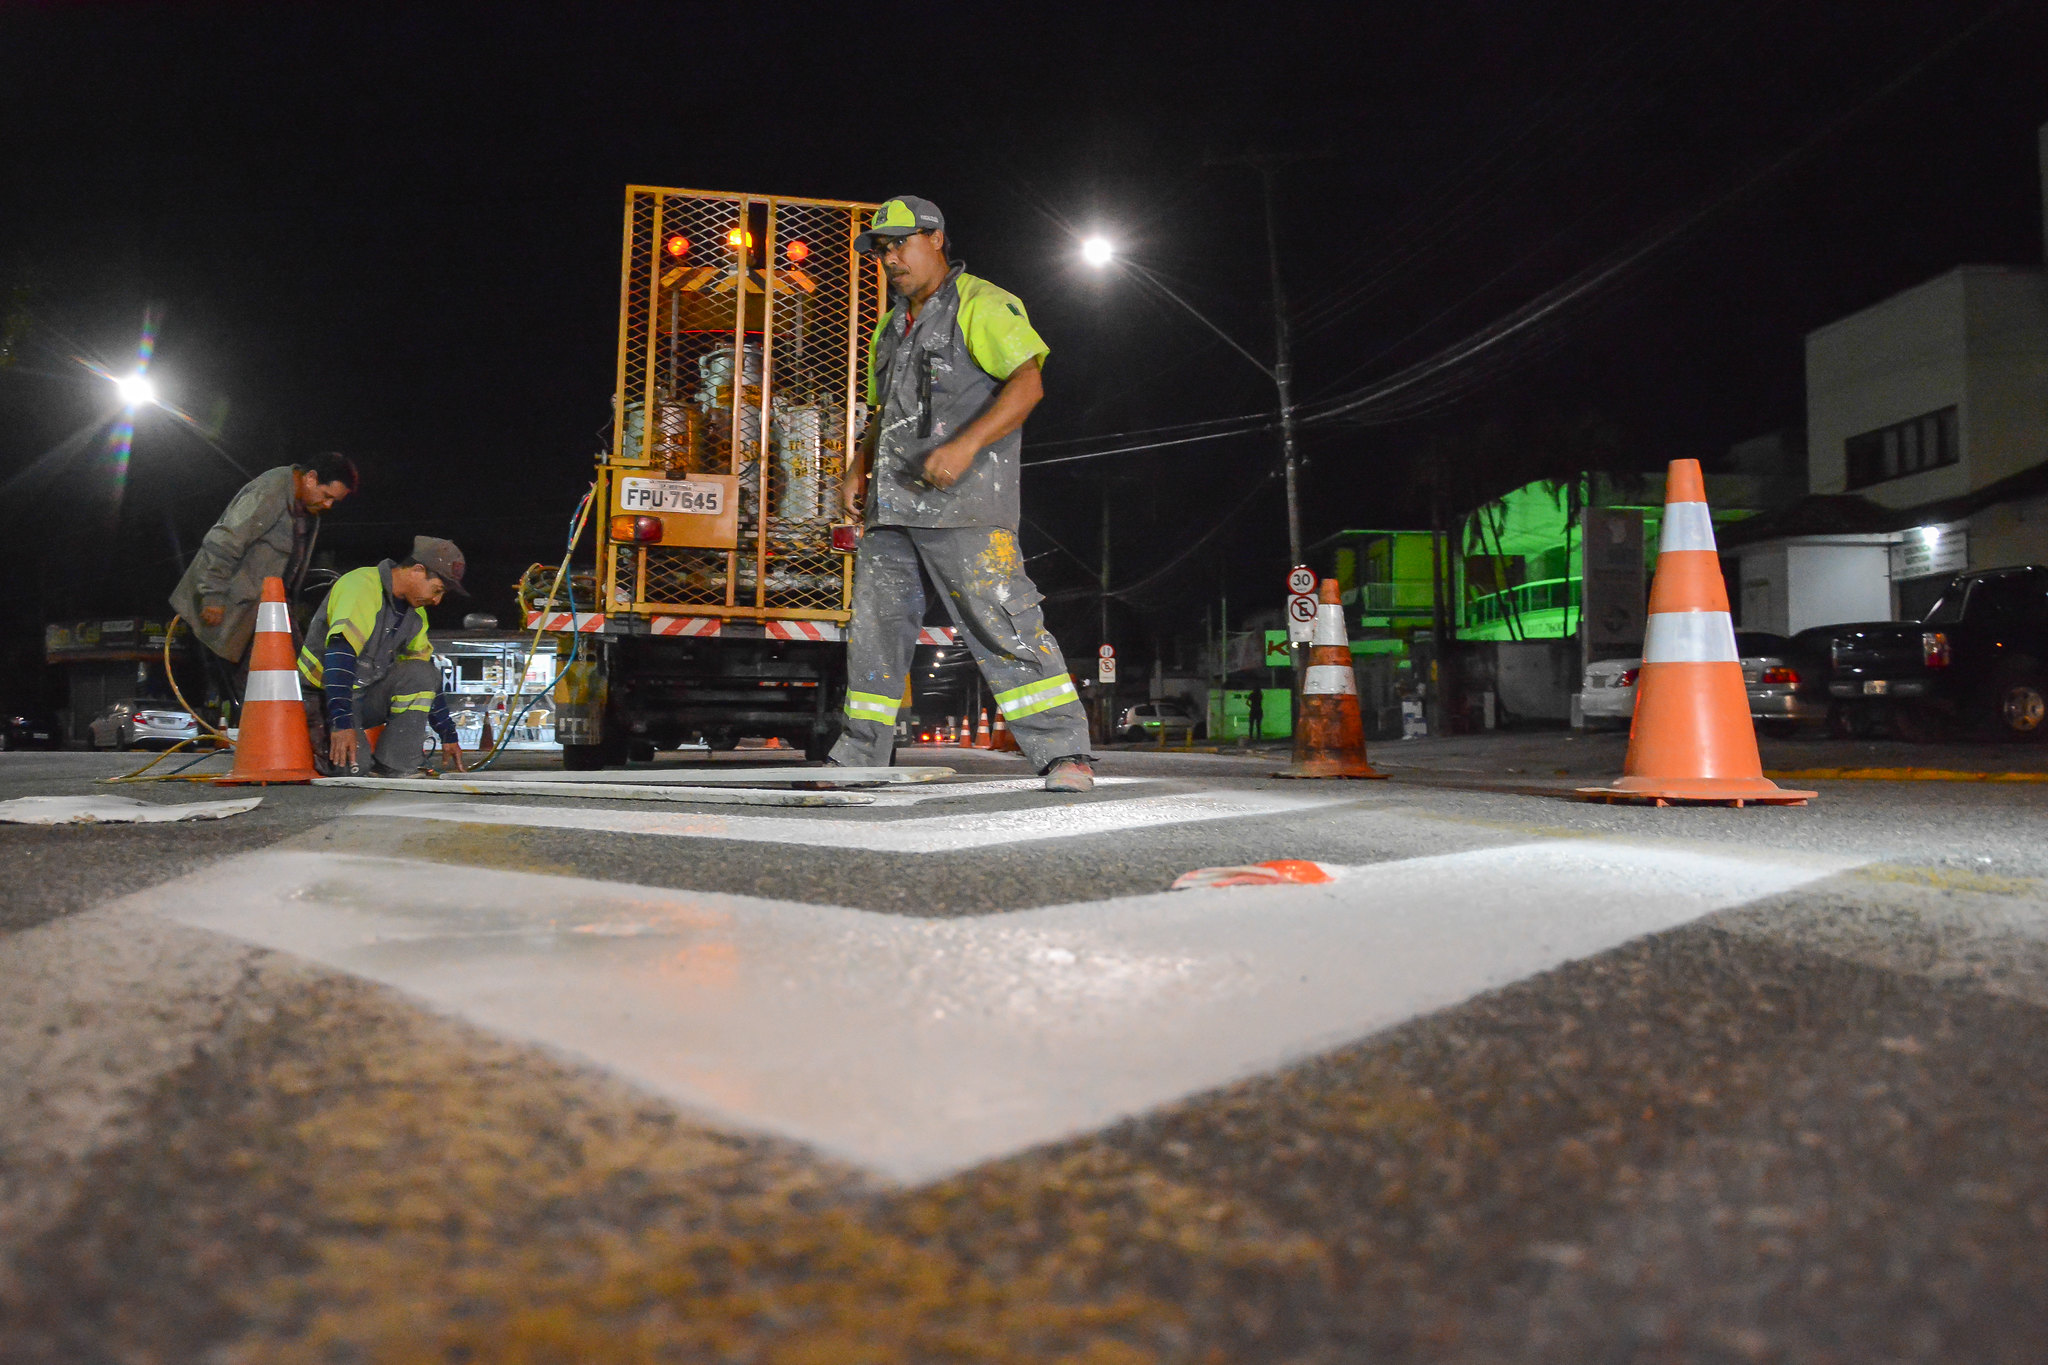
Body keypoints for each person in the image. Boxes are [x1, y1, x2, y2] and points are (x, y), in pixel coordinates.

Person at [834, 196, 1094, 792]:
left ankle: (1065, 756)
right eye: (881, 249)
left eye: (900, 243)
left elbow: (1027, 386)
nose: (889, 258)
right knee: (874, 632)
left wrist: (967, 445)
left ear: (936, 238)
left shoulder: (982, 302)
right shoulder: (892, 323)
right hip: (892, 508)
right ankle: (859, 758)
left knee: (1002, 622)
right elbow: (885, 412)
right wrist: (857, 465)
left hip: (967, 504)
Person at [169, 454, 358, 715]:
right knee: (271, 686)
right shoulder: (271, 490)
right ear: (311, 477)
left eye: (333, 501)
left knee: (292, 681)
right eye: (326, 495)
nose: (327, 505)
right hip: (242, 608)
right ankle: (268, 745)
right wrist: (213, 595)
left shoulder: (304, 505)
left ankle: (285, 744)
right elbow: (224, 540)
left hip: (269, 609)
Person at [296, 536, 469, 777]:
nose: (437, 601)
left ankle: (395, 766)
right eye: (437, 590)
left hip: (362, 696)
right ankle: (343, 750)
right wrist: (342, 724)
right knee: (355, 773)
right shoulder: (361, 586)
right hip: (321, 698)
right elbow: (340, 655)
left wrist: (448, 734)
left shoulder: (415, 614)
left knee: (422, 672)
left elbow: (425, 677)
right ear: (417, 570)